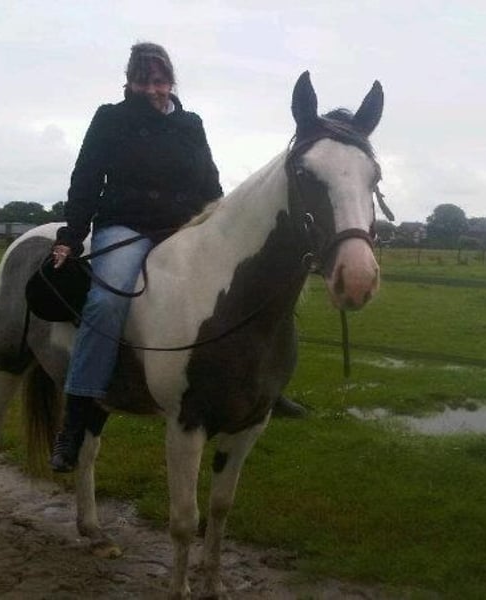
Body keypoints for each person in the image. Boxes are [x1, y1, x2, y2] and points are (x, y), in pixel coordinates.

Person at [50, 42, 303, 473]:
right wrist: (71, 237)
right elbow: (86, 179)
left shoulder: (190, 124)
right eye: (143, 81)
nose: (153, 89)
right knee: (106, 301)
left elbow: (209, 182)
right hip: (127, 227)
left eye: (160, 80)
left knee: (245, 289)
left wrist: (224, 229)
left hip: (183, 229)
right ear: (129, 83)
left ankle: (264, 389)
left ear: (171, 81)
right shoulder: (110, 119)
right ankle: (77, 414)